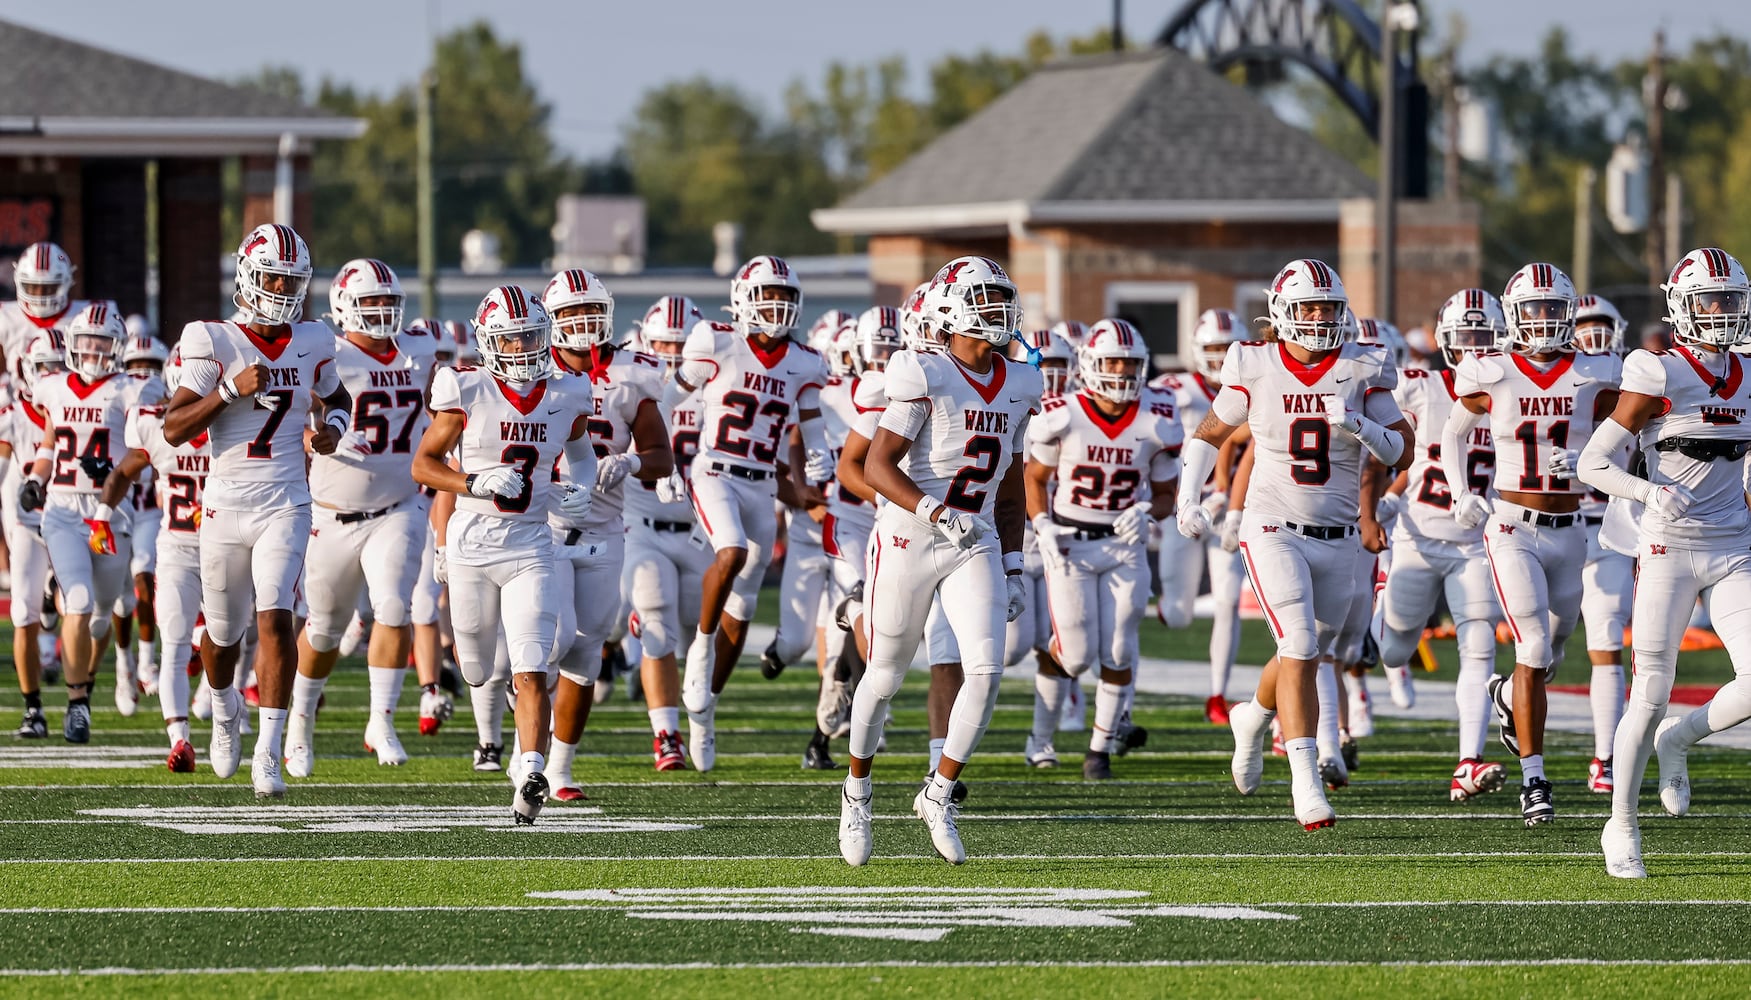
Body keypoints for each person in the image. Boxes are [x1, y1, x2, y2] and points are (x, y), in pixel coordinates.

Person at [1176, 259, 1413, 831]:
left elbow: (1401, 450)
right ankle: (1305, 782)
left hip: (1338, 538)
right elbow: (1210, 434)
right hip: (1271, 525)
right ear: (1282, 311)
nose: (1317, 317)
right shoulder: (1254, 363)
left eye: (1327, 308)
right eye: (1307, 307)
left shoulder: (1362, 365)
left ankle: (1253, 717)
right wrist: (1189, 497)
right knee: (1302, 644)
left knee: (1303, 653)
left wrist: (1359, 426)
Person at [839, 256, 1042, 866]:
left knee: (987, 666)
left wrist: (1012, 563)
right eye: (986, 298)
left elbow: (1010, 486)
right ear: (953, 310)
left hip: (973, 535)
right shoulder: (921, 370)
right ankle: (856, 789)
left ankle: (941, 791)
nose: (1000, 310)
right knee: (885, 674)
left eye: (1002, 297)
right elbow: (876, 466)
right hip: (907, 533)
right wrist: (933, 511)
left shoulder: (1023, 380)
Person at [163, 223, 352, 797]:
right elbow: (174, 428)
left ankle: (268, 752)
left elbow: (337, 396)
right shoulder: (212, 338)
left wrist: (332, 430)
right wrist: (227, 390)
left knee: (275, 617)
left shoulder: (315, 338)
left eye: (291, 279)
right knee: (220, 637)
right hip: (225, 502)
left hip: (287, 500)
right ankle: (225, 715)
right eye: (272, 275)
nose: (282, 287)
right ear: (248, 274)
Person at [1579, 247, 1751, 878]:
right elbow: (1592, 464)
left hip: (1734, 546)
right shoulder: (1656, 370)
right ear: (1681, 305)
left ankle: (1680, 740)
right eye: (1709, 299)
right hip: (1668, 546)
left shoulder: (1749, 371)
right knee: (1648, 692)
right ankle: (1620, 823)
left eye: (1729, 299)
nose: (1722, 312)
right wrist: (1648, 489)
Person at [1440, 263, 1620, 827]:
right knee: (1534, 645)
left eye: (1552, 309)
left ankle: (1506, 698)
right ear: (1513, 316)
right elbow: (1452, 433)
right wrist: (1462, 492)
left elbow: (1631, 435)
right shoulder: (1490, 369)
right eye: (1533, 309)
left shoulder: (1597, 370)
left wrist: (1597, 467)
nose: (1543, 320)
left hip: (1573, 531)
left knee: (1555, 648)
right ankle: (1534, 779)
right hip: (1512, 525)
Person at [412, 285, 597, 824]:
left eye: (531, 338)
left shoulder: (567, 392)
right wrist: (471, 480)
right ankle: (504, 721)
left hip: (532, 544)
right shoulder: (466, 389)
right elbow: (423, 466)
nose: (522, 350)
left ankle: (532, 770)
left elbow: (581, 457)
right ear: (491, 343)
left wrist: (580, 485)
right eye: (511, 340)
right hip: (472, 542)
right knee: (474, 667)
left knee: (533, 666)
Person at [668, 257, 831, 770]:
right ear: (741, 300)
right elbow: (665, 399)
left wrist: (820, 456)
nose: (777, 308)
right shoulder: (715, 341)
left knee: (742, 611)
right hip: (713, 470)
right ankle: (698, 649)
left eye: (785, 298)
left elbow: (811, 421)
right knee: (732, 551)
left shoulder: (805, 361)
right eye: (767, 297)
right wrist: (660, 461)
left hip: (764, 486)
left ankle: (705, 710)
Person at [285, 259, 438, 775]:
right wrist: (314, 436)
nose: (381, 312)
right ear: (344, 306)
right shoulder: (328, 353)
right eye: (370, 302)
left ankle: (382, 720)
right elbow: (288, 415)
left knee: (395, 607)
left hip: (397, 508)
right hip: (331, 515)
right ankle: (300, 724)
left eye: (388, 303)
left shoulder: (421, 351)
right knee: (324, 630)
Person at [1025, 318, 1180, 780]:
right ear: (1090, 364)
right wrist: (1042, 523)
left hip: (1124, 546)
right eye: (1112, 360)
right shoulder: (1065, 412)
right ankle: (1040, 737)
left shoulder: (1157, 419)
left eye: (1130, 363)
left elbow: (1169, 494)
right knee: (1074, 655)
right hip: (1070, 543)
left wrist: (1149, 512)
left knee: (1118, 649)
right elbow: (1034, 479)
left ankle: (1099, 750)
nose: (1121, 371)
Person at [538, 269, 671, 800]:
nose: (583, 321)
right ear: (550, 322)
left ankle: (560, 769)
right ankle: (526, 728)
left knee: (586, 654)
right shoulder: (528, 371)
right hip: (540, 529)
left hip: (604, 527)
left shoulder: (630, 376)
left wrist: (633, 460)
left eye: (590, 309)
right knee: (550, 639)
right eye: (570, 313)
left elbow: (662, 458)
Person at [1373, 289, 1507, 801]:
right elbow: (1389, 449)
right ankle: (1382, 617)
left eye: (1482, 336)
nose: (1474, 347)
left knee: (1479, 649)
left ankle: (1467, 762)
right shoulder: (1418, 385)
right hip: (1417, 538)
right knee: (1395, 646)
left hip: (1477, 544)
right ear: (1443, 343)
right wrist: (1382, 497)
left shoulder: (1513, 388)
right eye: (1464, 337)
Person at [21, 303, 136, 744]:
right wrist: (36, 477)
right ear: (72, 345)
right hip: (65, 512)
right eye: (86, 342)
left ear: (116, 347)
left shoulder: (131, 391)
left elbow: (143, 455)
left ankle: (82, 687)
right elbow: (51, 439)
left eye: (102, 343)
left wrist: (113, 468)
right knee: (82, 600)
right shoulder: (53, 387)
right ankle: (77, 704)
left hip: (111, 512)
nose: (92, 351)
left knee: (102, 615)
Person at [99, 347, 210, 771]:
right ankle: (179, 739)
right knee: (177, 641)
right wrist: (101, 517)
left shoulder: (234, 423)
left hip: (228, 545)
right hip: (177, 546)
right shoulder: (152, 426)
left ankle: (221, 710)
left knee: (232, 637)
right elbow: (124, 472)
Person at [622, 295, 707, 771]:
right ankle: (665, 736)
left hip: (700, 530)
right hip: (643, 524)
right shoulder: (632, 383)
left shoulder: (717, 383)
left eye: (681, 346)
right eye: (663, 345)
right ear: (645, 341)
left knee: (699, 634)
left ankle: (697, 722)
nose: (672, 356)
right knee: (656, 620)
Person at [1153, 308, 1247, 723]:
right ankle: (1167, 608)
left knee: (1227, 600)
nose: (1219, 356)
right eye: (1212, 348)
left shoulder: (1254, 386)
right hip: (1185, 506)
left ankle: (1217, 694)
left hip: (1229, 507)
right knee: (1178, 616)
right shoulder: (1174, 390)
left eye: (1226, 348)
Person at [1571, 293, 1635, 794]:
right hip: (1554, 525)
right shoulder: (1540, 378)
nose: (1593, 337)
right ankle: (1510, 696)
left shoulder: (1640, 377)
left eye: (1601, 326)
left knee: (1607, 642)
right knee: (1541, 650)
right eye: (1583, 326)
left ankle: (1605, 758)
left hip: (1609, 526)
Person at [1, 335, 65, 738]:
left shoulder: (78, 408)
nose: (48, 377)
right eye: (42, 367)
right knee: (23, 614)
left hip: (69, 521)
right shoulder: (11, 413)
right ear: (26, 369)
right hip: (27, 523)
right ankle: (33, 709)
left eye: (56, 367)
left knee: (88, 608)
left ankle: (80, 701)